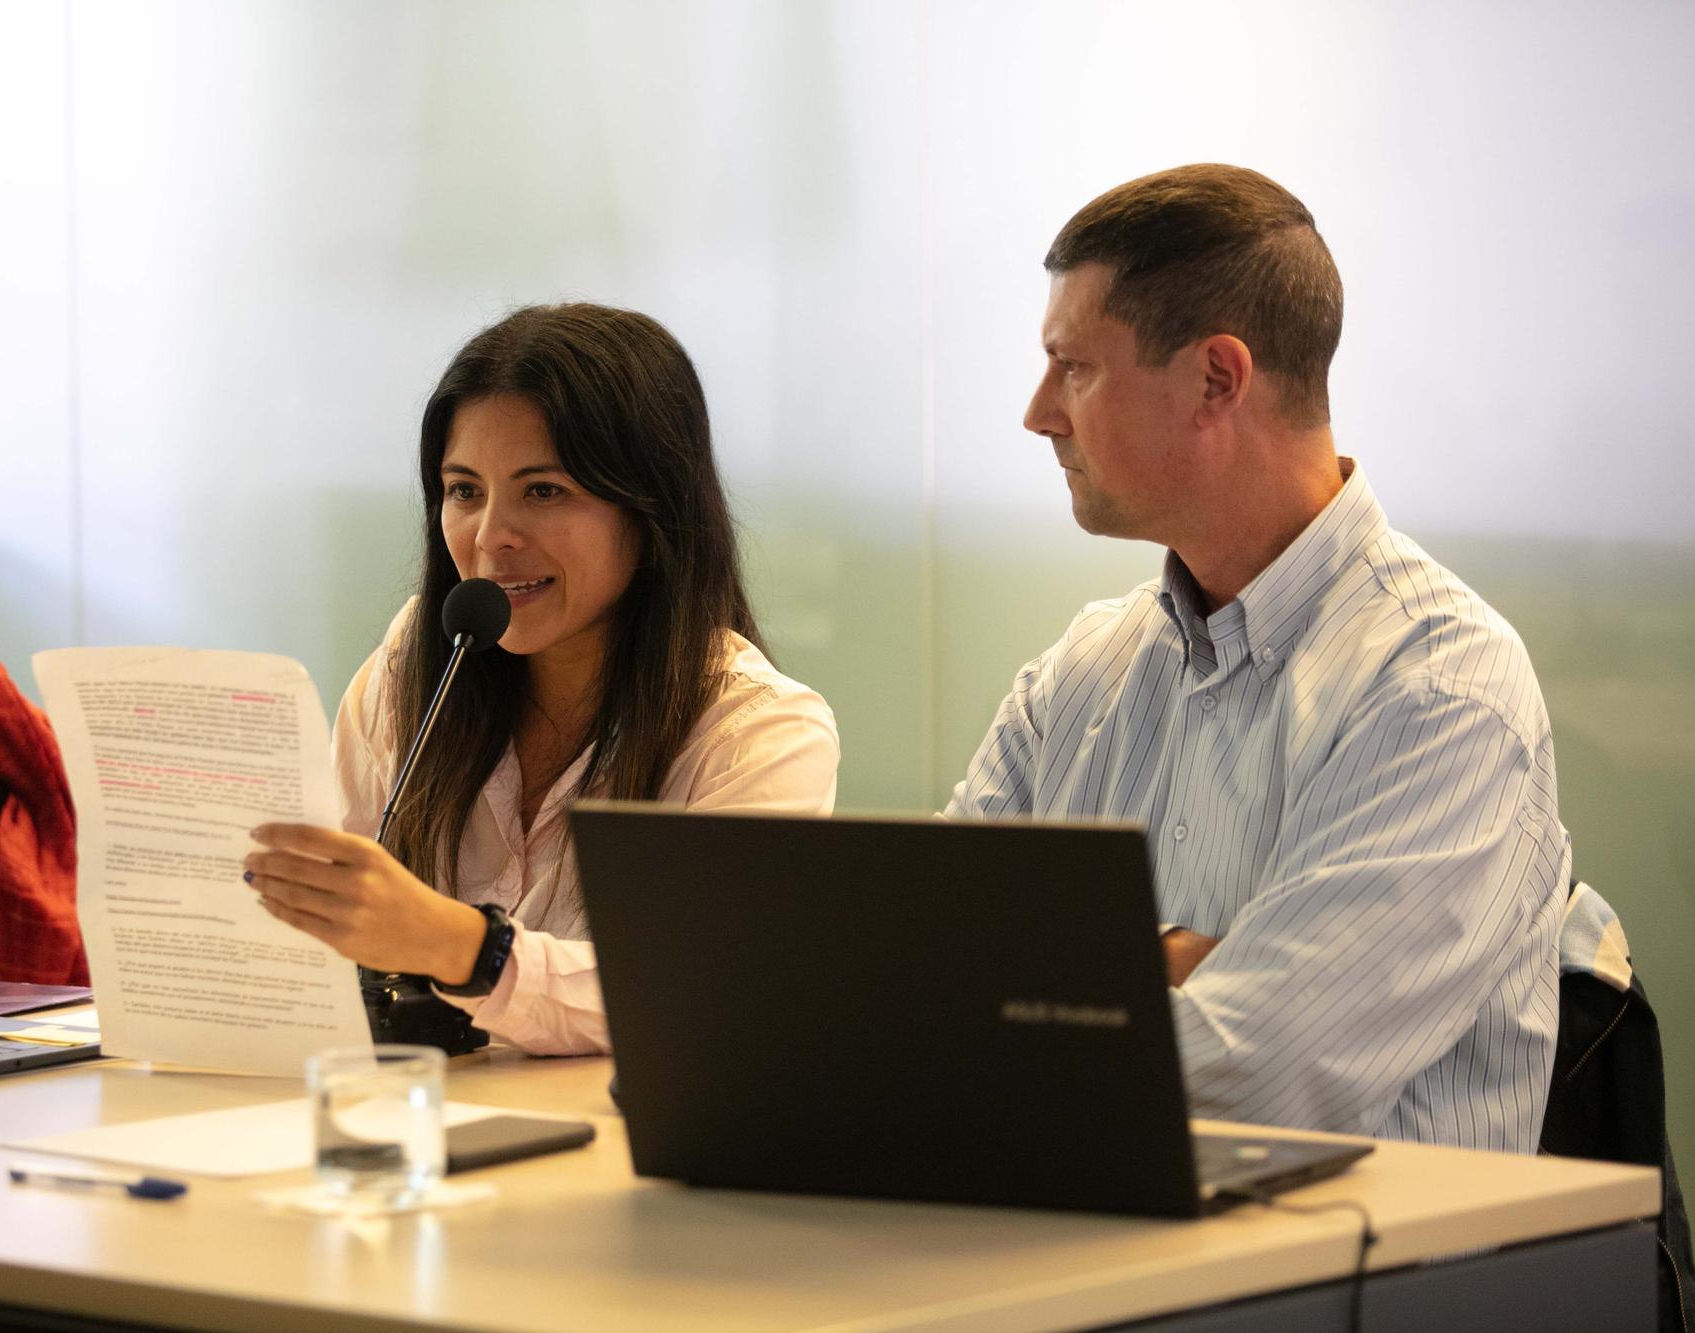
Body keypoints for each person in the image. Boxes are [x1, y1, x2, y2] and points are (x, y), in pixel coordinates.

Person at [949, 165, 1569, 1152]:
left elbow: (1251, 1074)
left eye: (1074, 367)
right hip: (1076, 1245)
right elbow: (916, 969)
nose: (1038, 412)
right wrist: (1169, 960)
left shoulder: (1440, 688)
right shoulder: (1079, 672)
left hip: (1360, 1292)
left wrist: (1065, 980)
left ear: (1215, 380)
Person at [243, 304, 840, 1055]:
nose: (492, 536)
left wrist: (466, 948)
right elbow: (327, 937)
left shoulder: (759, 730)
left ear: (651, 509)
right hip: (420, 1130)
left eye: (543, 491)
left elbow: (699, 994)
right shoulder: (417, 660)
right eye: (464, 490)